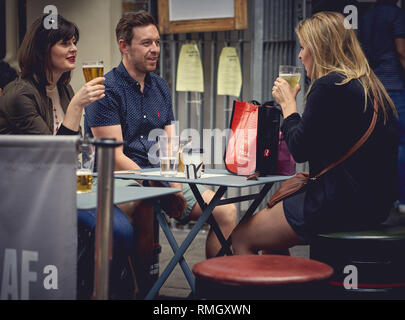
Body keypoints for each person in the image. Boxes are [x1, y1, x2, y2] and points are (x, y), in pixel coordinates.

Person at [84, 12, 237, 296]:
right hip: (120, 179)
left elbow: (171, 146)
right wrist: (161, 189)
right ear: (124, 46)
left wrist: (175, 186)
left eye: (156, 41)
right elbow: (115, 158)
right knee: (145, 207)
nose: (154, 49)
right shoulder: (106, 89)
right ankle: (144, 292)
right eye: (145, 43)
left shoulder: (161, 87)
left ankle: (209, 295)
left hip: (161, 178)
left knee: (226, 211)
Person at [231, 11, 399, 254]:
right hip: (376, 205)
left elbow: (299, 149)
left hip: (338, 203)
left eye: (303, 47)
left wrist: (289, 107)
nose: (300, 55)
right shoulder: (370, 85)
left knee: (242, 236)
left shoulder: (328, 86)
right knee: (271, 241)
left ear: (320, 48)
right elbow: (333, 141)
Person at [0, 14, 135, 299]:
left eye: (74, 42)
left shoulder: (63, 88)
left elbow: (75, 154)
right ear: (42, 49)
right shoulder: (18, 95)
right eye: (64, 43)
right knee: (116, 230)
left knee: (125, 220)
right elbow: (53, 158)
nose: (73, 48)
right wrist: (75, 108)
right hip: (30, 196)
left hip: (64, 187)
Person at [359, 0, 405, 214]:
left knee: (379, 143)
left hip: (375, 87)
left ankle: (382, 197)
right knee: (402, 144)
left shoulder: (367, 16)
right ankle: (402, 198)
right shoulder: (396, 14)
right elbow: (402, 51)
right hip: (395, 86)